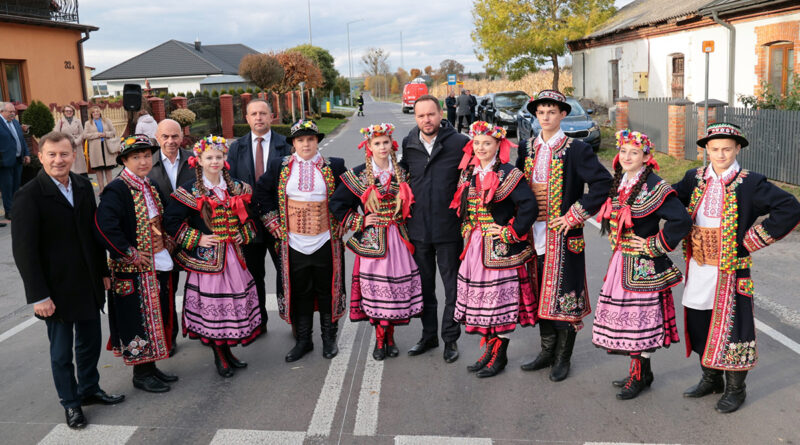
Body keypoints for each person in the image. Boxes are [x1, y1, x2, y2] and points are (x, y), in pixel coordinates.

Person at [674, 122, 800, 413]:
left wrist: (752, 240)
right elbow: (669, 200)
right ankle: (711, 378)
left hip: (731, 270)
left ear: (738, 148)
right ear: (706, 149)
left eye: (727, 149)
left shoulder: (750, 182)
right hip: (699, 264)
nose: (720, 155)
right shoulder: (693, 178)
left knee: (734, 328)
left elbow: (790, 207)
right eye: (715, 149)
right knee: (700, 323)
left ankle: (736, 389)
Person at [12, 131, 124, 430]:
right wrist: (39, 296)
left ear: (74, 155)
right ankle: (71, 404)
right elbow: (24, 251)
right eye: (52, 155)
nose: (58, 160)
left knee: (89, 343)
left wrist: (102, 271)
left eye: (64, 154)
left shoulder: (82, 185)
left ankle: (89, 389)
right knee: (61, 353)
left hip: (87, 281)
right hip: (55, 288)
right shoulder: (29, 195)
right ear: (41, 157)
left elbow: (93, 233)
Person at [516, 89, 612, 381]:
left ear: (563, 115)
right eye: (541, 112)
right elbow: (517, 187)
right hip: (533, 232)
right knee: (541, 292)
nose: (546, 117)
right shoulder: (527, 148)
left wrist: (574, 215)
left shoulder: (576, 149)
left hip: (563, 234)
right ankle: (546, 351)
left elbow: (601, 182)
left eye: (552, 112)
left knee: (565, 294)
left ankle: (562, 357)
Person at [591, 129, 691, 399]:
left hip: (645, 266)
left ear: (647, 157)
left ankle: (638, 375)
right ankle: (642, 373)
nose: (627, 156)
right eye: (623, 151)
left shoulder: (655, 186)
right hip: (621, 262)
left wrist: (652, 245)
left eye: (634, 152)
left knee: (639, 322)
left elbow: (681, 220)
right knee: (626, 320)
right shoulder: (620, 182)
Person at [164, 135, 263, 377]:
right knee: (216, 305)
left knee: (231, 303)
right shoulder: (190, 191)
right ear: (198, 160)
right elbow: (171, 221)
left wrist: (244, 234)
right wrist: (198, 238)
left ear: (225, 159)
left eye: (219, 157)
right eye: (209, 157)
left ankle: (228, 351)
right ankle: (220, 356)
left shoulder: (236, 187)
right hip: (207, 261)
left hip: (233, 257)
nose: (214, 161)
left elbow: (250, 216)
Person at [254, 119, 347, 362]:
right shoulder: (280, 166)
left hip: (325, 240)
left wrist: (343, 220)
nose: (305, 144)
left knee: (326, 290)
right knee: (301, 292)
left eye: (310, 139)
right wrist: (273, 223)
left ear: (317, 141)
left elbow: (349, 193)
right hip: (293, 241)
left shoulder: (334, 165)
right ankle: (303, 340)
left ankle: (329, 340)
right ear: (293, 143)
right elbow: (261, 193)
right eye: (300, 140)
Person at [450, 121, 538, 378]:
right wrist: (468, 226)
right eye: (477, 143)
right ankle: (489, 351)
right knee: (483, 305)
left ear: (498, 145)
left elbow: (528, 206)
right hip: (476, 248)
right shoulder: (468, 173)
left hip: (501, 250)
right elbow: (464, 206)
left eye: (487, 143)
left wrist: (509, 232)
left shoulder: (509, 174)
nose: (481, 148)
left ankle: (499, 356)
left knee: (500, 305)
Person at [329, 123, 422, 361]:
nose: (382, 147)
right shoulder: (358, 174)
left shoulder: (402, 172)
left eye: (385, 142)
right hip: (373, 244)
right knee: (377, 294)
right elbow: (337, 204)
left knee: (393, 291)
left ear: (392, 144)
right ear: (368, 147)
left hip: (399, 240)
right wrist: (360, 221)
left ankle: (390, 337)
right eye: (377, 143)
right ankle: (380, 341)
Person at [94, 134, 179, 393]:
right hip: (132, 270)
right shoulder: (117, 189)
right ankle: (141, 374)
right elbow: (104, 226)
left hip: (156, 264)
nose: (143, 161)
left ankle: (150, 367)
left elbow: (162, 217)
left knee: (155, 316)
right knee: (137, 321)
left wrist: (167, 240)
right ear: (124, 160)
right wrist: (129, 252)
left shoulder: (149, 185)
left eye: (146, 156)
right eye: (136, 157)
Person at [399, 94, 470, 363]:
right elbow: (402, 177)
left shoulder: (460, 143)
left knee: (452, 287)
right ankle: (428, 336)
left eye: (431, 114)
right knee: (424, 286)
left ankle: (450, 339)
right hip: (418, 229)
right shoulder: (409, 143)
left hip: (449, 230)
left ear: (441, 113)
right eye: (420, 116)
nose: (426, 120)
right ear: (414, 117)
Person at [228, 99, 292, 332]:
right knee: (254, 274)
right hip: (249, 223)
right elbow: (230, 180)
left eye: (263, 113)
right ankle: (258, 321)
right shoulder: (237, 147)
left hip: (279, 221)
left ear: (272, 116)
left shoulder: (285, 144)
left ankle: (291, 319)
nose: (258, 118)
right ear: (246, 118)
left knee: (285, 271)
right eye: (253, 114)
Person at [147, 118, 195, 355]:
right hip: (165, 240)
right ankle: (170, 337)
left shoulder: (194, 160)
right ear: (158, 138)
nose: (170, 141)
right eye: (165, 137)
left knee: (200, 286)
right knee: (167, 290)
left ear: (182, 137)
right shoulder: (148, 163)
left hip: (194, 235)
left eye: (174, 136)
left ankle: (206, 332)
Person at [0, 101, 31, 224]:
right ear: (2, 112)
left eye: (14, 111)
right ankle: (9, 211)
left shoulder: (15, 122)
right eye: (10, 111)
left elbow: (21, 139)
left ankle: (16, 209)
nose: (13, 113)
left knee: (16, 186)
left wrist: (27, 154)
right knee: (7, 187)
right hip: (4, 161)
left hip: (18, 160)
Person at [83, 106, 118, 191]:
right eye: (94, 112)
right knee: (99, 170)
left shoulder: (107, 121)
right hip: (95, 149)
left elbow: (114, 132)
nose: (96, 113)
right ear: (91, 114)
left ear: (100, 113)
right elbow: (85, 135)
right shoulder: (88, 123)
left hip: (106, 147)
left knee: (108, 169)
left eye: (97, 112)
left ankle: (111, 188)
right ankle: (101, 189)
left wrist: (105, 134)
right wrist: (97, 134)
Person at [55, 105, 87, 176]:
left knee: (79, 168)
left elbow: (82, 133)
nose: (69, 112)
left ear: (73, 112)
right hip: (66, 146)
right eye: (67, 111)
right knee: (69, 167)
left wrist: (77, 141)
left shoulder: (78, 121)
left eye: (71, 111)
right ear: (64, 112)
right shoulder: (60, 122)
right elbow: (56, 135)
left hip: (77, 146)